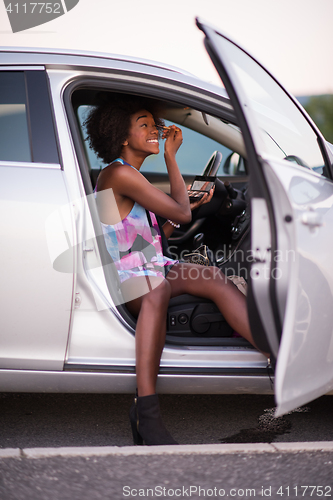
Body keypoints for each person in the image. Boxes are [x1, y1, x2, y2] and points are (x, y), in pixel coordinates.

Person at [85, 94, 262, 446]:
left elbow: (151, 235)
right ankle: (146, 410)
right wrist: (170, 156)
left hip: (149, 265)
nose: (155, 130)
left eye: (155, 123)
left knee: (211, 276)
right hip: (129, 278)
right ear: (122, 135)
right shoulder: (118, 173)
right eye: (145, 125)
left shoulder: (129, 174)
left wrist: (185, 207)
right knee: (157, 289)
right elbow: (181, 215)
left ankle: (274, 350)